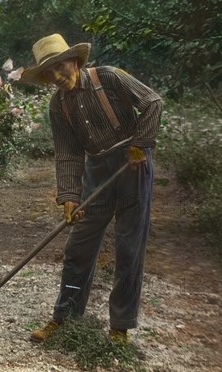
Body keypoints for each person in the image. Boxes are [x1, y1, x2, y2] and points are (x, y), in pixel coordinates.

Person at [21, 34, 163, 345]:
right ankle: (65, 318)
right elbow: (69, 154)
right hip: (97, 171)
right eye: (49, 73)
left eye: (60, 66)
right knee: (78, 247)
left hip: (132, 164)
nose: (57, 76)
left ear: (74, 61)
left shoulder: (110, 78)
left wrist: (140, 144)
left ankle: (120, 328)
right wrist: (70, 197)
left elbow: (153, 101)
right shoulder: (58, 105)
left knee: (129, 248)